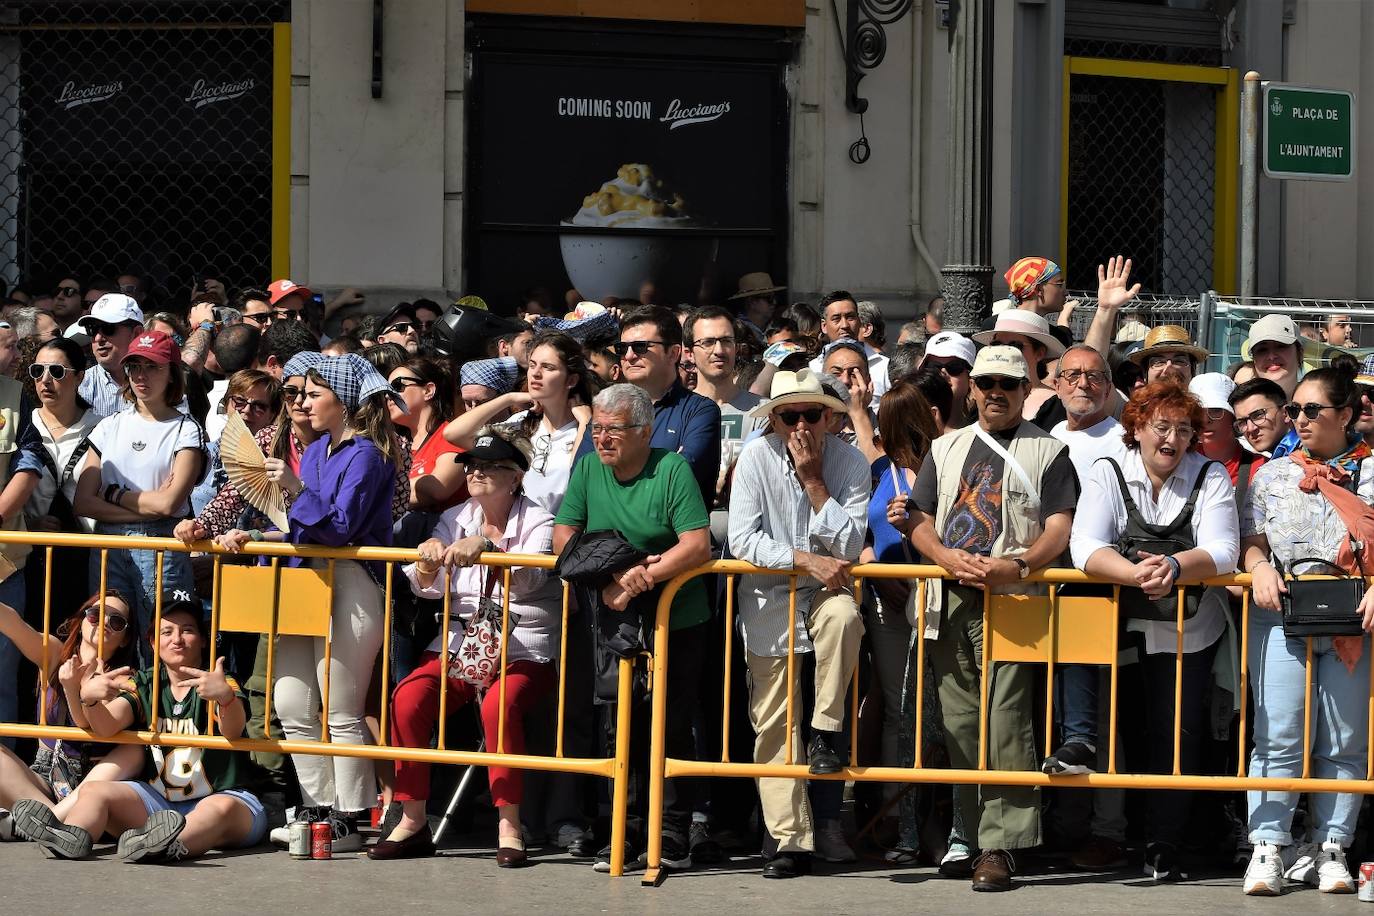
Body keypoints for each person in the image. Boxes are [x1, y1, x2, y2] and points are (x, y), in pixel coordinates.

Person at [909, 345, 1077, 892]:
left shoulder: (1049, 451)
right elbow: (919, 519)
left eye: (1008, 382)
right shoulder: (944, 446)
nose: (996, 392)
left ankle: (1001, 846)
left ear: (1027, 390)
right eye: (987, 382)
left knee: (1007, 718)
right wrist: (943, 556)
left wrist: (1019, 563)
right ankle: (968, 831)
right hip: (949, 593)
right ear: (972, 387)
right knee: (958, 719)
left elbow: (1059, 526)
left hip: (1017, 597)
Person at [1070, 381, 1238, 882]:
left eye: (1183, 430)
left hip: (1190, 629)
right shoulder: (1108, 470)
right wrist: (1140, 575)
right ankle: (1107, 836)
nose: (1172, 439)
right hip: (1117, 621)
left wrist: (1172, 565)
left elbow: (1224, 550)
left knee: (1175, 737)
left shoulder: (1210, 476)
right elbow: (1085, 546)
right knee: (1113, 731)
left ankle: (1165, 843)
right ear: (1137, 428)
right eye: (1161, 427)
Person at [372, 428, 559, 866]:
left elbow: (533, 580)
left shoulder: (540, 520)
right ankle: (413, 819)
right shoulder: (455, 516)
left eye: (489, 467)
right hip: (460, 643)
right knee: (408, 697)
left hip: (522, 647)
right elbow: (431, 591)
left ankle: (509, 826)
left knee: (499, 705)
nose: (475, 473)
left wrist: (490, 549)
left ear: (516, 477)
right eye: (472, 466)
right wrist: (426, 562)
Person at [553, 383, 712, 872]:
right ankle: (621, 830)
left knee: (671, 725)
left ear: (644, 431)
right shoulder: (587, 469)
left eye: (613, 429)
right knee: (617, 726)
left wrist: (641, 579)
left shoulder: (672, 468)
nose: (601, 439)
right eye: (596, 428)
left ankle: (670, 832)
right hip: (612, 618)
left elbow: (697, 545)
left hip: (676, 619)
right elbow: (565, 532)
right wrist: (611, 573)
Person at [727, 369, 869, 878]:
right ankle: (789, 839)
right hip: (770, 602)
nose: (802, 426)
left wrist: (814, 482)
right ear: (776, 420)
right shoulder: (756, 459)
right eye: (790, 416)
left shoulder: (850, 461)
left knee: (845, 617)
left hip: (827, 595)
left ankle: (826, 732)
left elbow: (851, 545)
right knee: (773, 721)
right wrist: (804, 559)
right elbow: (742, 540)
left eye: (812, 414)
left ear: (830, 416)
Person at [257, 353, 401, 851]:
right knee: (291, 701)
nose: (301, 402)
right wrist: (257, 535)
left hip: (351, 582)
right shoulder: (317, 450)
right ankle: (316, 807)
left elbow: (339, 528)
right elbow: (302, 529)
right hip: (305, 580)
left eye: (313, 394)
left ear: (344, 403)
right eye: (300, 393)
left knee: (340, 705)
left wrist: (294, 487)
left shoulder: (368, 453)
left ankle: (351, 816)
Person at [1238, 359, 1372, 896]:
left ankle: (1332, 847)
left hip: (1352, 619)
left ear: (1346, 414)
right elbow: (1252, 537)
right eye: (1295, 410)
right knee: (1278, 733)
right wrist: (1259, 567)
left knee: (1345, 738)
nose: (1300, 419)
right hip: (1282, 614)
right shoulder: (1270, 473)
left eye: (1311, 410)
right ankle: (1268, 846)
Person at [9, 600, 267, 862]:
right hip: (160, 804)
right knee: (95, 791)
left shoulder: (219, 681)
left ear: (203, 640)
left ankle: (168, 845)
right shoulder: (146, 682)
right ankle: (72, 836)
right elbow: (107, 725)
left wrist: (225, 699)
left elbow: (233, 730)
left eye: (187, 630)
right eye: (166, 632)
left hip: (229, 799)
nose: (177, 639)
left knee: (218, 808)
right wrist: (90, 700)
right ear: (153, 643)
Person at [72, 331, 205, 650]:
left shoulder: (186, 429)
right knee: (104, 643)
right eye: (134, 366)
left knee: (159, 644)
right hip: (110, 543)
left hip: (161, 545)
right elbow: (83, 501)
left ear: (172, 373)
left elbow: (169, 503)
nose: (141, 375)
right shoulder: (108, 426)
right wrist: (145, 506)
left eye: (152, 366)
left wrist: (114, 494)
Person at [858, 379, 940, 857]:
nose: (889, 440)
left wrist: (913, 521)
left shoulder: (943, 465)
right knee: (896, 708)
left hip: (936, 601)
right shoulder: (877, 472)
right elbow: (863, 533)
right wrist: (873, 565)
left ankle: (934, 822)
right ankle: (897, 821)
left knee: (935, 715)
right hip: (886, 603)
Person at [0, 590, 138, 831]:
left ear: (125, 637)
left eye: (116, 621)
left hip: (93, 780)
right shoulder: (55, 654)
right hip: (46, 775)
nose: (104, 622)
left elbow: (90, 724)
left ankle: (43, 823)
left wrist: (72, 690)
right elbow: (14, 624)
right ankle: (52, 823)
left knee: (134, 752)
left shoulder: (124, 677)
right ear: (82, 619)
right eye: (96, 615)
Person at [574, 306, 721, 504]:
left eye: (640, 347)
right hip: (604, 532)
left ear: (673, 353)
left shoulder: (700, 412)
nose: (629, 356)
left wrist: (611, 479)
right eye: (622, 348)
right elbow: (580, 481)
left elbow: (679, 482)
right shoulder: (604, 411)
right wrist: (660, 471)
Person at [448, 331, 592, 515]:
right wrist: (508, 398)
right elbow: (454, 434)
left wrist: (586, 422)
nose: (536, 374)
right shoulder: (518, 422)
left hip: (563, 534)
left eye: (548, 367)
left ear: (571, 380)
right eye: (532, 365)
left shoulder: (590, 427)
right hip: (519, 535)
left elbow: (581, 479)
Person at [23, 337, 101, 618]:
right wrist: (28, 524)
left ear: (79, 377)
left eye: (57, 372)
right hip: (30, 556)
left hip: (88, 556)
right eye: (37, 371)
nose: (45, 380)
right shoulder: (22, 425)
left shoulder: (104, 428)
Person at [683, 308, 763, 528]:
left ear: (736, 348)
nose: (719, 350)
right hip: (684, 540)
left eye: (726, 341)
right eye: (708, 342)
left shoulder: (764, 411)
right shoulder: (673, 412)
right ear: (689, 353)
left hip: (748, 541)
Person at [190, 370, 281, 519]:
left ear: (272, 415)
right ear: (226, 404)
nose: (246, 410)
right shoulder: (200, 454)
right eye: (239, 401)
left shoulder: (277, 465)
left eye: (259, 406)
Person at [387, 356, 465, 511]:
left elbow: (439, 488)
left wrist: (387, 490)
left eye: (397, 386)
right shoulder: (398, 444)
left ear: (428, 390)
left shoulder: (451, 436)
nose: (388, 395)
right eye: (386, 390)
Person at [970, 309, 1065, 421]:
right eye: (997, 344)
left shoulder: (1057, 405)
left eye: (1015, 346)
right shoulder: (980, 394)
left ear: (1040, 353)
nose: (1004, 351)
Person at [808, 292, 889, 410]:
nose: (845, 325)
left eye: (850, 317)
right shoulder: (813, 368)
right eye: (836, 319)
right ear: (824, 326)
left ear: (859, 321)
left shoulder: (884, 366)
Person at [73, 294, 148, 419]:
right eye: (92, 329)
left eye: (108, 328)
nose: (98, 338)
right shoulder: (79, 385)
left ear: (137, 333)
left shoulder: (161, 381)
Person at [1190, 373, 1264, 492]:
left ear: (1234, 415)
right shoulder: (1178, 462)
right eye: (1197, 412)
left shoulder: (1260, 468)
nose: (1205, 420)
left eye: (1215, 411)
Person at [918, 331, 975, 429]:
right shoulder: (910, 428)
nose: (943, 373)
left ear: (970, 376)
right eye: (934, 367)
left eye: (954, 367)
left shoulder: (982, 431)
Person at [1230, 378, 1298, 458]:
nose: (1250, 429)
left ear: (1286, 413)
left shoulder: (1310, 454)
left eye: (1258, 415)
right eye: (1242, 422)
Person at [1127, 326, 1208, 387]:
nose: (1169, 368)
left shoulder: (1204, 408)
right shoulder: (1135, 408)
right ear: (1145, 373)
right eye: (1159, 362)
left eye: (1179, 361)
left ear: (1192, 370)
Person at [1246, 314, 1304, 400]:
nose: (1271, 356)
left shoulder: (1321, 403)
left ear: (1299, 352)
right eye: (1262, 350)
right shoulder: (1242, 409)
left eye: (1281, 346)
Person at [729, 271, 785, 339]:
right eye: (769, 298)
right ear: (752, 302)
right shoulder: (739, 331)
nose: (774, 302)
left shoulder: (772, 326)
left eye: (775, 297)